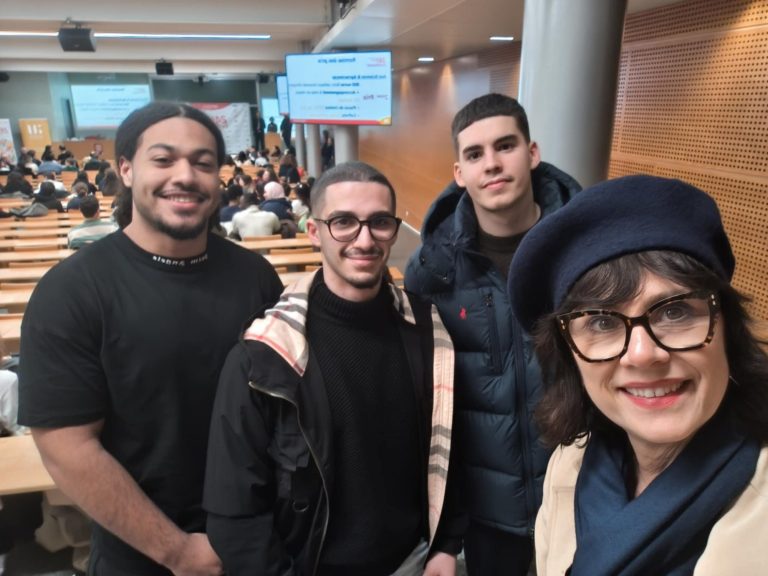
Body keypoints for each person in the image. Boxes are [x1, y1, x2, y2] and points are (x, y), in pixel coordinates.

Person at [18, 101, 283, 576]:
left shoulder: (255, 277)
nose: (184, 175)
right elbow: (67, 447)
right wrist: (178, 552)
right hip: (143, 552)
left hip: (257, 541)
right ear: (125, 169)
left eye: (203, 163)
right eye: (163, 160)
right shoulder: (72, 291)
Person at [204, 161, 460, 575]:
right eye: (343, 222)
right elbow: (235, 513)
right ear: (313, 231)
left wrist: (445, 546)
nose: (364, 239)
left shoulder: (428, 330)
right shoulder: (264, 355)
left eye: (379, 222)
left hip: (414, 561)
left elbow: (450, 446)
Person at [508, 175, 768, 575]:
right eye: (600, 323)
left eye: (675, 311)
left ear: (726, 327)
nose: (644, 355)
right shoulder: (571, 464)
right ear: (568, 355)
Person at [405, 93, 581, 575]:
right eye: (475, 154)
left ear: (532, 153)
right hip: (488, 515)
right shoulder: (432, 271)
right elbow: (431, 402)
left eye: (505, 146)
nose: (492, 164)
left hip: (581, 498)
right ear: (459, 172)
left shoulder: (585, 254)